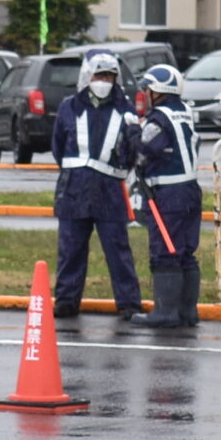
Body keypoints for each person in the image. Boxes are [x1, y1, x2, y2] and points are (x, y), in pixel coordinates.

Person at [48, 49, 144, 322]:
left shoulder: (125, 108)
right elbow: (58, 148)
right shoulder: (69, 106)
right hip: (73, 189)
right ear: (87, 76)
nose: (104, 80)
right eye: (99, 74)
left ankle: (129, 304)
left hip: (110, 190)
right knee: (70, 249)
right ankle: (66, 301)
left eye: (110, 76)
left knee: (118, 250)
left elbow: (131, 152)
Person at [130, 62, 203, 331]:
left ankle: (166, 312)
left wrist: (132, 133)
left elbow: (147, 146)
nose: (144, 94)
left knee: (165, 251)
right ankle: (187, 311)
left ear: (158, 91)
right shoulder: (186, 112)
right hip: (191, 190)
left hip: (168, 194)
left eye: (147, 89)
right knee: (186, 251)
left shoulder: (159, 118)